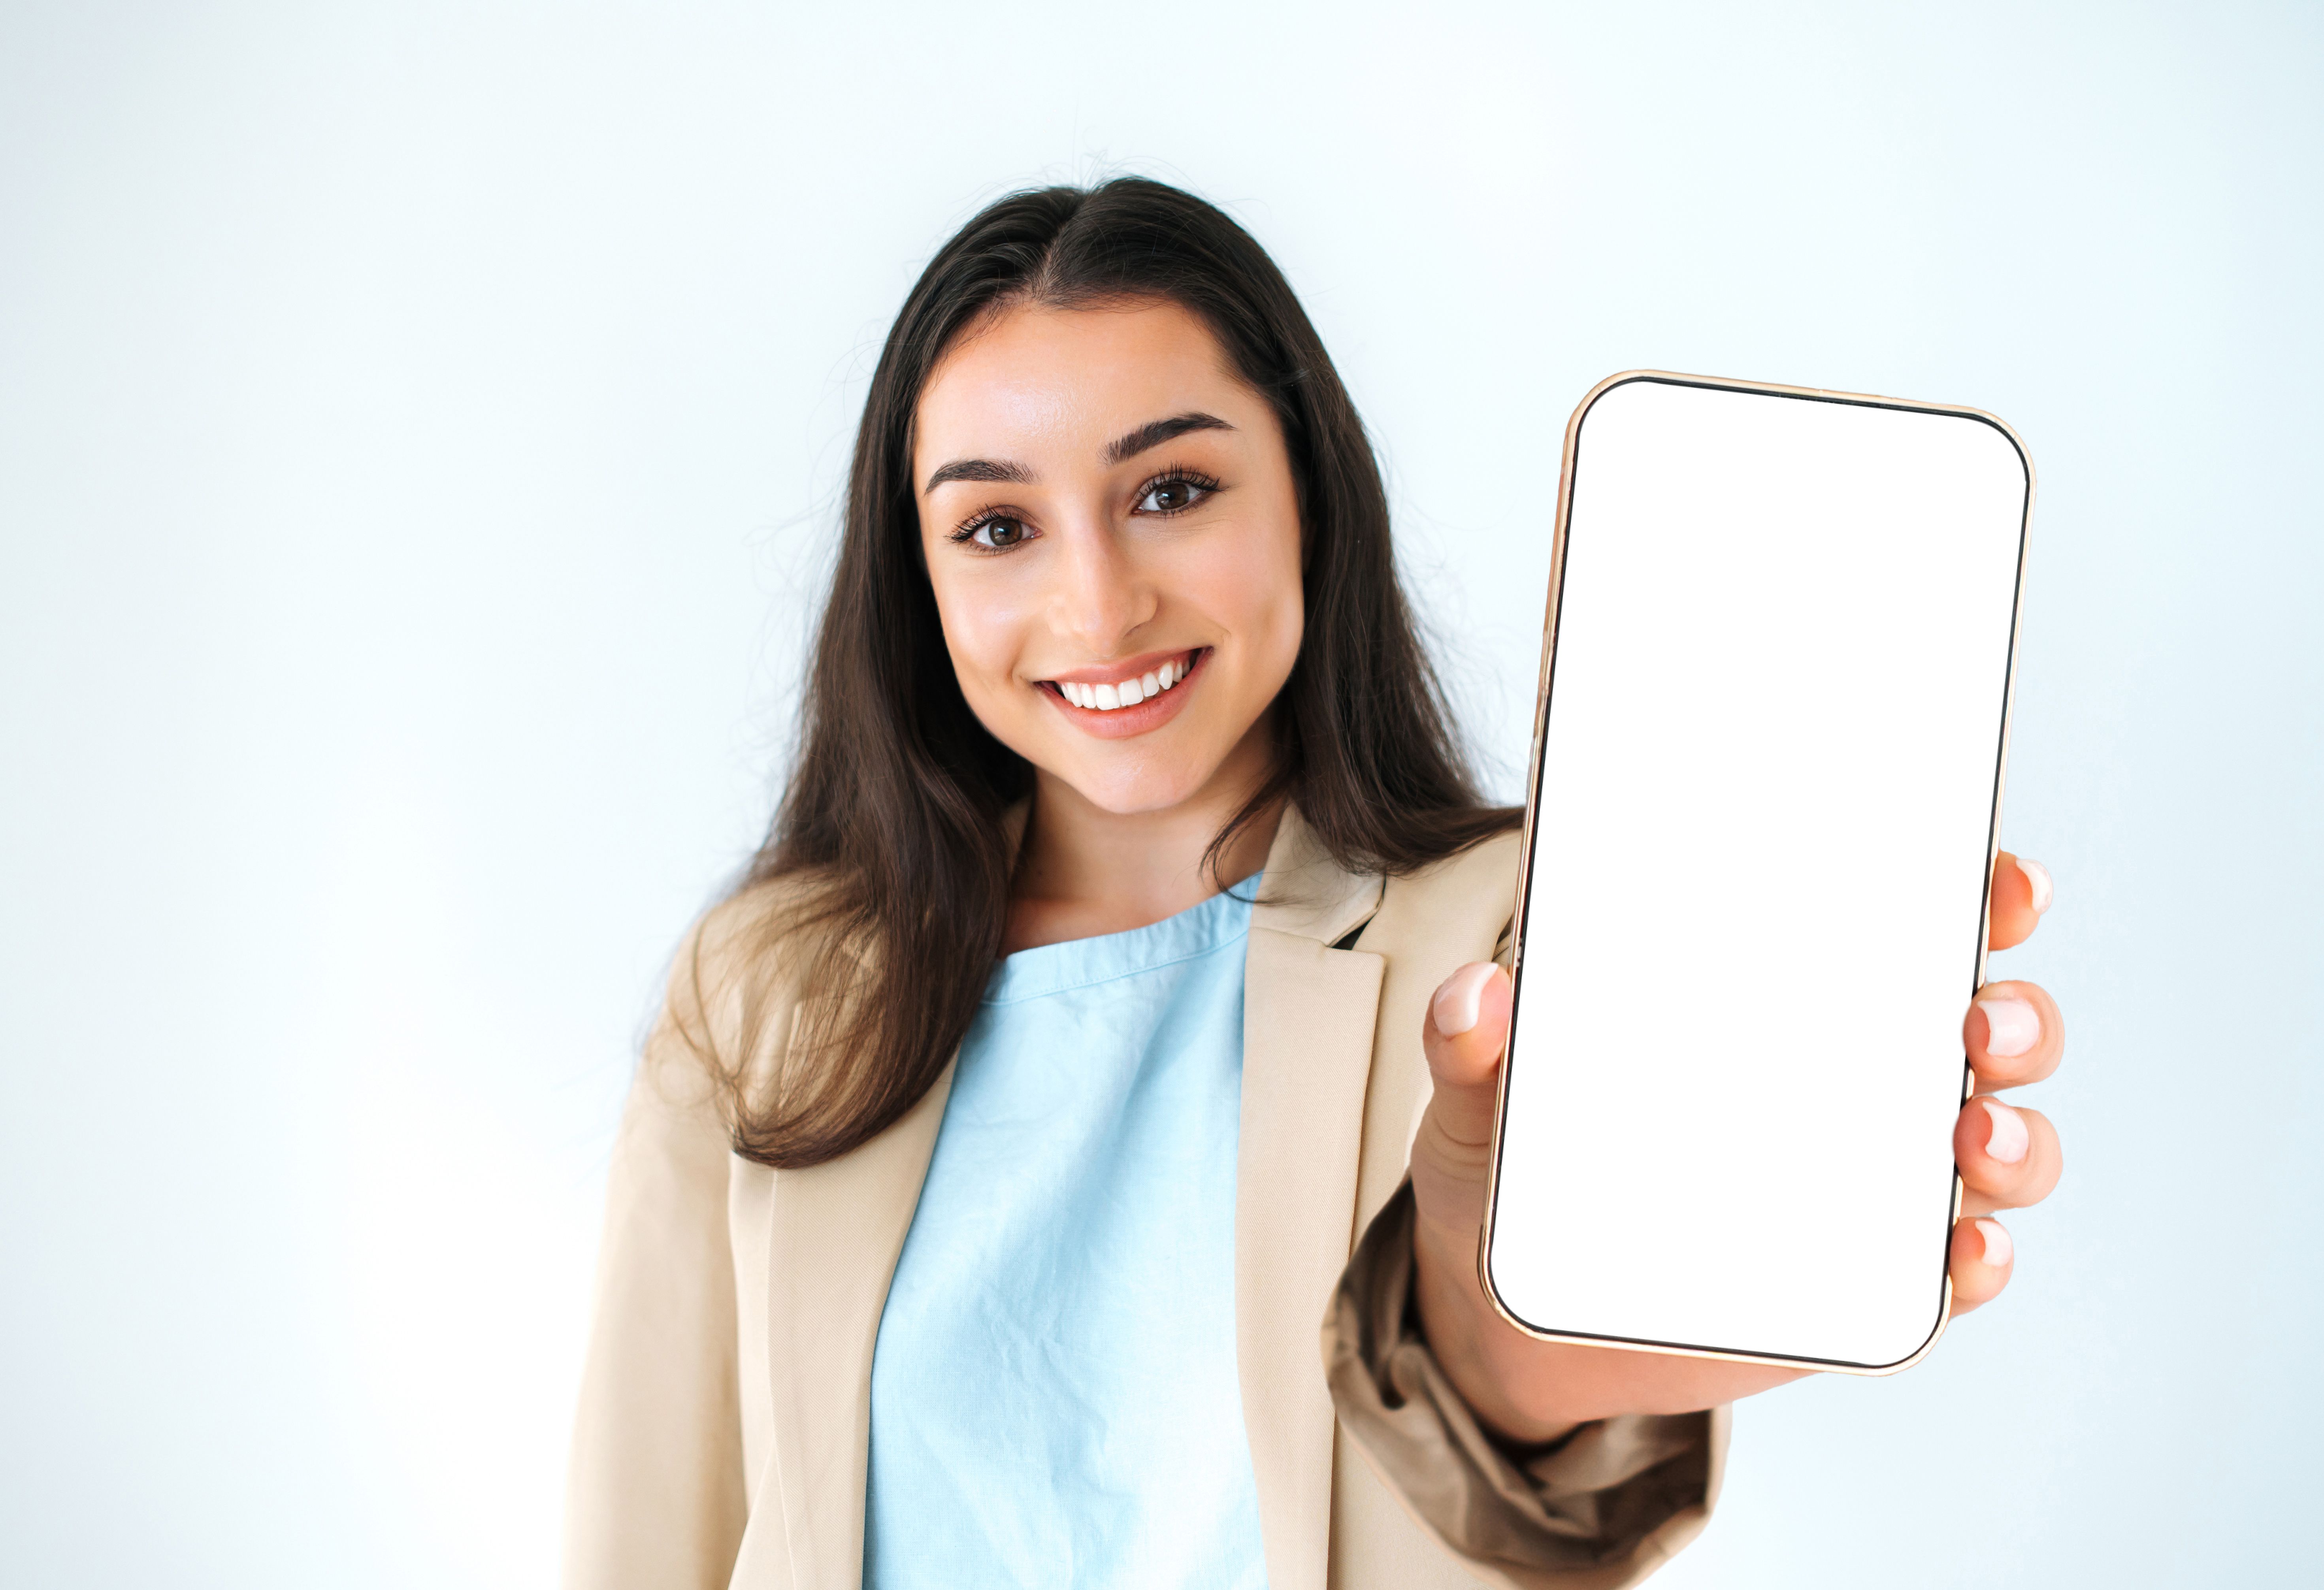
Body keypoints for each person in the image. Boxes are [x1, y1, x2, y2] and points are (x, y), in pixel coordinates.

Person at [563, 177, 2068, 1590]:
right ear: (923, 578)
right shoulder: (767, 992)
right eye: (999, 526)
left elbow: (1511, 1428)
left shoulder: (1513, 940)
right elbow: (649, 1534)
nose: (1098, 602)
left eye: (1170, 491)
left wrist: (1541, 1357)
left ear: (1307, 495)